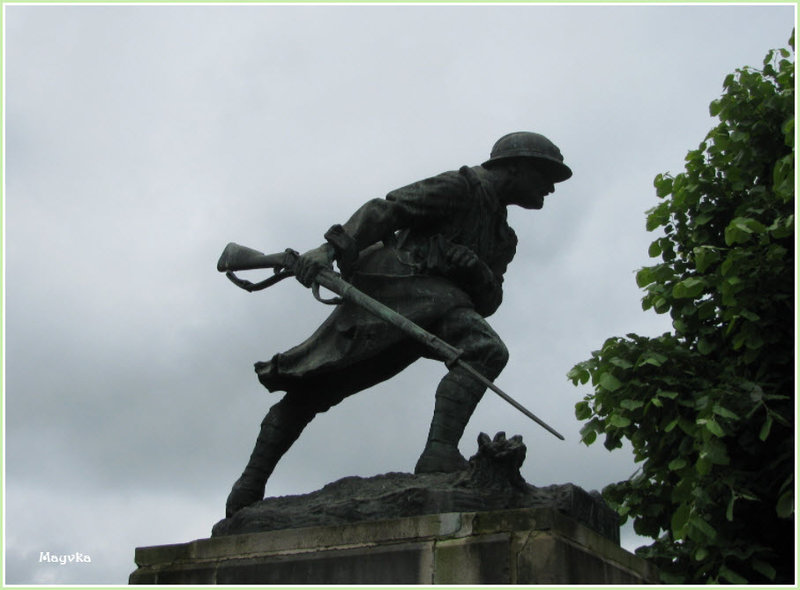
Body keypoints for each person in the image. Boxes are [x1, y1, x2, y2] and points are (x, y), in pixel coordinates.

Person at [226, 131, 572, 517]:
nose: (550, 189)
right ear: (514, 167)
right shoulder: (460, 186)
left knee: (484, 349)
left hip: (440, 307)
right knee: (317, 389)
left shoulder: (504, 238)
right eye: (545, 176)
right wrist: (328, 250)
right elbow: (386, 210)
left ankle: (439, 451)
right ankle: (249, 484)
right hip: (393, 294)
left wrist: (473, 270)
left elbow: (490, 301)